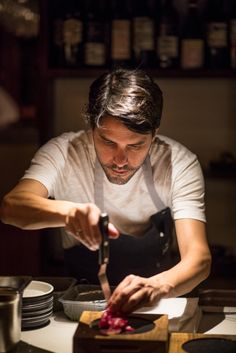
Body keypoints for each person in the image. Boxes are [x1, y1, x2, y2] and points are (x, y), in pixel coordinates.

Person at [0, 68, 211, 314]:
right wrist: (68, 212)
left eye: (136, 146)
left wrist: (158, 285)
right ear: (91, 127)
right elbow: (11, 206)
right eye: (108, 142)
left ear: (154, 135)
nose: (120, 160)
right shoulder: (64, 152)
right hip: (80, 306)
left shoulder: (178, 163)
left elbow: (199, 258)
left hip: (156, 306)